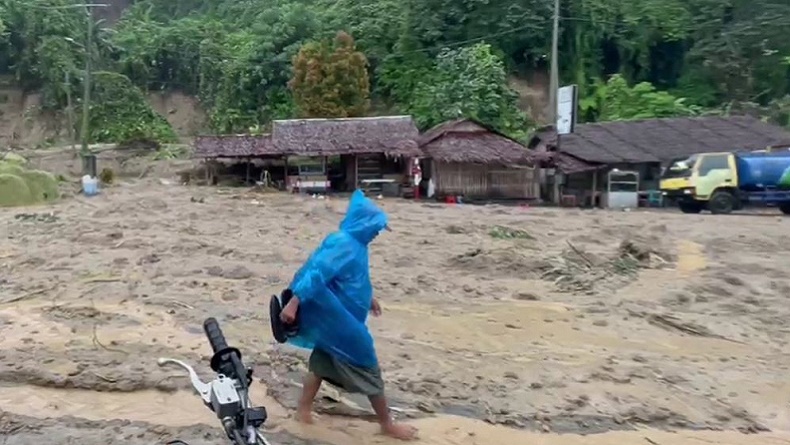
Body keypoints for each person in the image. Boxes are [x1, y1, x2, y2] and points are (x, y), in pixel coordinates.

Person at [280, 190, 418, 441]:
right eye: (376, 227)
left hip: (341, 317)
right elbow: (317, 273)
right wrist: (294, 303)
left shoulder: (357, 245)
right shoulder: (344, 243)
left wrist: (368, 299)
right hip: (337, 319)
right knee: (367, 362)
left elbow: (353, 278)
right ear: (363, 224)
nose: (378, 232)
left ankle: (303, 410)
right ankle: (387, 424)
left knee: (322, 360)